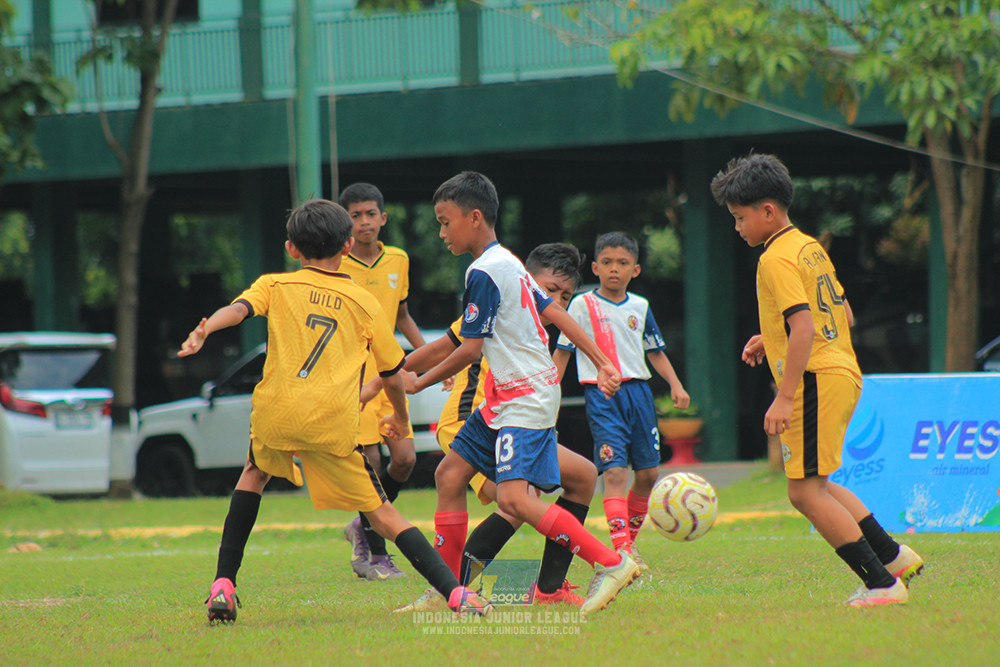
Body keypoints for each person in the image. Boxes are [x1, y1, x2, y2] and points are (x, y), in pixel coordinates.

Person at [183, 198, 490, 622]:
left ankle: (223, 583)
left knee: (253, 476)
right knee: (383, 514)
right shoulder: (363, 301)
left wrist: (206, 328)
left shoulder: (274, 284)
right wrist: (399, 419)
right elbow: (391, 374)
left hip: (277, 412)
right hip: (331, 419)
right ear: (348, 245)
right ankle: (456, 594)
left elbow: (239, 310)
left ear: (292, 249)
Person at [406, 171, 638, 615]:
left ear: (474, 218)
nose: (440, 232)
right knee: (449, 476)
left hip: (524, 398)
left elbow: (471, 348)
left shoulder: (486, 271)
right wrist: (603, 360)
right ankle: (448, 591)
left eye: (444, 221)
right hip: (506, 400)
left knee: (513, 499)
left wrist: (419, 381)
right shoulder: (508, 263)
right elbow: (557, 314)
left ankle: (610, 562)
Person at [710, 153, 924, 607]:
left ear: (768, 211)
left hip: (815, 379)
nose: (737, 228)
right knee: (817, 483)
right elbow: (839, 313)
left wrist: (785, 397)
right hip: (842, 370)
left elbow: (805, 326)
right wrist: (771, 338)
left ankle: (882, 585)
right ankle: (893, 557)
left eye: (739, 218)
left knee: (804, 492)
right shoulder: (808, 246)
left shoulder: (775, 259)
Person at [395, 242, 599, 611]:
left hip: (514, 423)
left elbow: (545, 378)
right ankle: (447, 590)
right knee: (518, 502)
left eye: (564, 295)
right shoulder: (500, 301)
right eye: (549, 290)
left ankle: (549, 589)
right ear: (527, 283)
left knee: (582, 477)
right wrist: (402, 375)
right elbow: (450, 345)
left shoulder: (534, 328)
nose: (555, 300)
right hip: (471, 421)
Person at [553, 231, 690, 568]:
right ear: (596, 267)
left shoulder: (640, 307)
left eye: (623, 263)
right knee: (614, 473)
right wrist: (547, 394)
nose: (615, 269)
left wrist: (675, 384)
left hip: (639, 395)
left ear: (636, 270)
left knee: (648, 474)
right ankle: (623, 551)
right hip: (602, 396)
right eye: (608, 262)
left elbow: (654, 351)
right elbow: (563, 353)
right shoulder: (581, 305)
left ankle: (630, 541)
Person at [338, 182, 425, 580]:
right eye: (355, 215)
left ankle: (364, 522)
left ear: (383, 218)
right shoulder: (334, 264)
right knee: (370, 463)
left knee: (405, 460)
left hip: (389, 377)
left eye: (370, 213)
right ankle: (376, 556)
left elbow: (402, 315)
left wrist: (423, 358)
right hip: (354, 381)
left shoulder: (398, 260)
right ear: (345, 222)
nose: (364, 222)